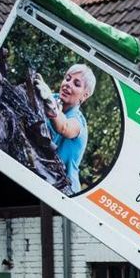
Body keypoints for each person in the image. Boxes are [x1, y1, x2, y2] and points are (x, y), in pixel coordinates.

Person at [34, 64, 96, 193]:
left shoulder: (79, 123)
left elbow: (64, 127)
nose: (68, 84)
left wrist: (50, 103)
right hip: (41, 171)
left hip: (65, 190)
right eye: (67, 79)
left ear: (84, 95)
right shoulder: (53, 98)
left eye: (76, 84)